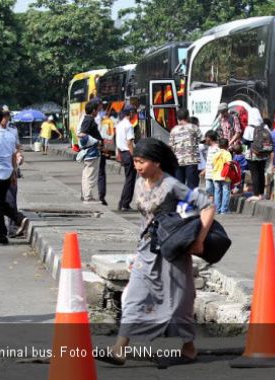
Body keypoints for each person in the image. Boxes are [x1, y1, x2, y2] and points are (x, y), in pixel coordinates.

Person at [98, 138, 214, 366]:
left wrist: (199, 241)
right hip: (145, 252)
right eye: (135, 162)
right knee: (132, 297)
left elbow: (207, 205)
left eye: (141, 162)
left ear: (157, 162)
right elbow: (145, 222)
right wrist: (136, 253)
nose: (137, 167)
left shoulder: (171, 185)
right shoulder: (141, 184)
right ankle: (119, 350)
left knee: (178, 302)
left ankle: (189, 349)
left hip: (171, 253)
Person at [0, 107, 28, 244]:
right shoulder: (9, 135)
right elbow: (13, 157)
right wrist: (14, 174)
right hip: (7, 174)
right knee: (0, 203)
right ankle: (18, 218)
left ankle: (1, 235)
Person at [78, 100, 103, 204]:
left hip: (89, 152)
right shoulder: (89, 120)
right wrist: (96, 142)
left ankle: (86, 195)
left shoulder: (86, 119)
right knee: (90, 176)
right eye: (97, 109)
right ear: (93, 110)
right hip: (92, 152)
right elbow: (82, 134)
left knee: (86, 174)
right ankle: (88, 197)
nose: (98, 111)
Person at [242, 108, 270, 201]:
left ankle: (256, 194)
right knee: (261, 173)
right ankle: (262, 194)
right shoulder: (265, 127)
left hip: (252, 154)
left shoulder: (249, 128)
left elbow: (245, 141)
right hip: (263, 154)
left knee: (255, 174)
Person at [169, 108, 201, 189]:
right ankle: (191, 201)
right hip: (191, 160)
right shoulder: (194, 128)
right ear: (188, 117)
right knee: (192, 187)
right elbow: (202, 140)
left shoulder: (174, 130)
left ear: (177, 118)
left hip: (178, 161)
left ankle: (181, 201)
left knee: (180, 188)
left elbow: (170, 146)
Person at [115, 105, 137, 212]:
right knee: (130, 180)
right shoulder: (129, 126)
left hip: (122, 153)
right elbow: (129, 143)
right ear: (131, 113)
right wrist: (135, 157)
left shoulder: (120, 124)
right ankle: (125, 204)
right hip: (128, 154)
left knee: (128, 179)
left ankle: (122, 203)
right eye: (134, 112)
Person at [212, 138, 232, 214]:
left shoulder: (215, 154)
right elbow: (229, 164)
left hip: (216, 175)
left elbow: (213, 164)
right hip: (225, 176)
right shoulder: (227, 154)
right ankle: (224, 210)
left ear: (219, 145)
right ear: (227, 145)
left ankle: (217, 210)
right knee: (226, 192)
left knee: (217, 192)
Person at [202, 130, 219, 200]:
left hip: (215, 175)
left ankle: (217, 208)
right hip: (208, 175)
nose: (205, 139)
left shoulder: (217, 148)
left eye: (206, 137)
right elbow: (208, 162)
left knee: (217, 192)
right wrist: (204, 171)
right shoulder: (209, 148)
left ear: (209, 138)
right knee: (209, 193)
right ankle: (211, 207)